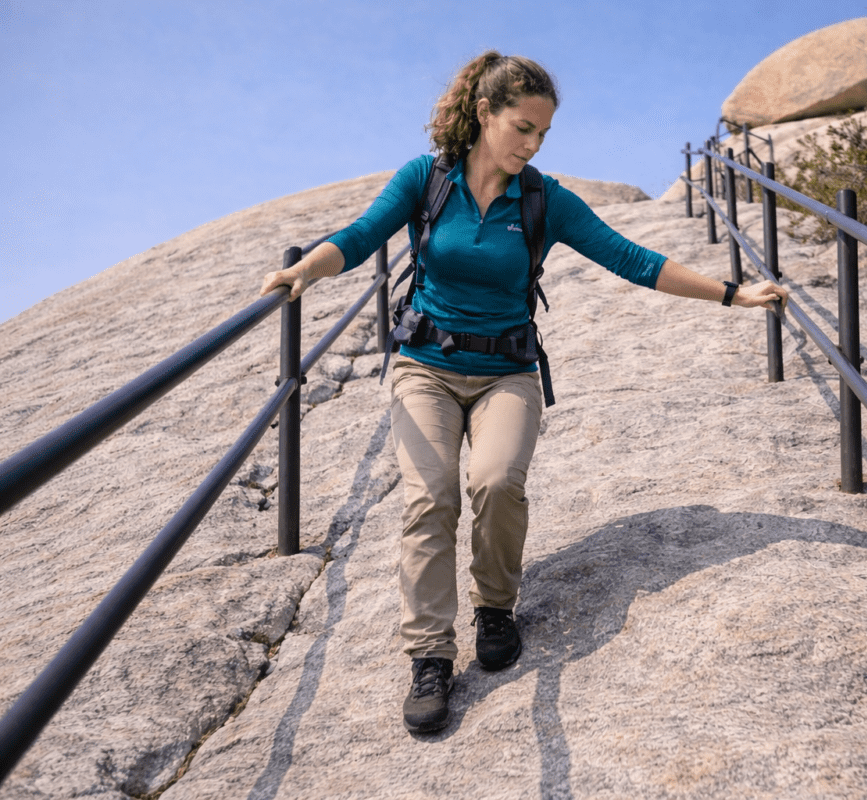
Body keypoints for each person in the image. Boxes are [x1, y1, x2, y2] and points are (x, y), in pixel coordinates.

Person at [260, 51, 788, 734]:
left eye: (543, 134)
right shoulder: (427, 179)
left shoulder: (543, 199)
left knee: (498, 481)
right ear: (485, 114)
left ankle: (495, 607)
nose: (532, 145)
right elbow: (361, 238)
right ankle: (429, 657)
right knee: (431, 499)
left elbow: (631, 258)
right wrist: (306, 270)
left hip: (507, 371)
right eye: (523, 128)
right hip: (426, 366)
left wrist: (730, 294)